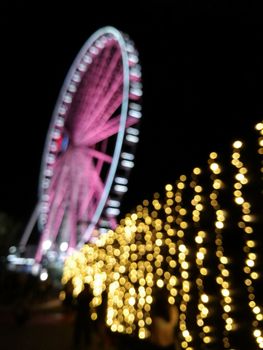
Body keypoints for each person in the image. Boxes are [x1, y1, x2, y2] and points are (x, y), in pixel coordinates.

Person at [72, 283, 94, 349]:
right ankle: (82, 342)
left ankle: (81, 342)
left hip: (82, 314)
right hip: (83, 314)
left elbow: (77, 301)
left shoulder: (83, 294)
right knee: (83, 329)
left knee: (82, 329)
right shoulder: (85, 294)